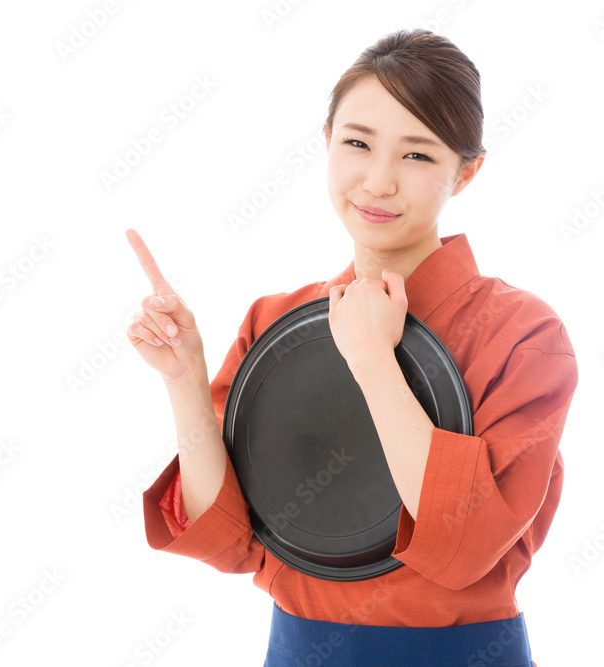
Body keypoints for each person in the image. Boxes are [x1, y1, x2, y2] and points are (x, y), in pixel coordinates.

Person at [125, 28, 577, 667]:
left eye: (417, 156)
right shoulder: (276, 322)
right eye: (357, 144)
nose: (378, 181)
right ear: (328, 144)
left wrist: (372, 360)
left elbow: (467, 548)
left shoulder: (524, 336)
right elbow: (233, 539)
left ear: (466, 172)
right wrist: (184, 380)